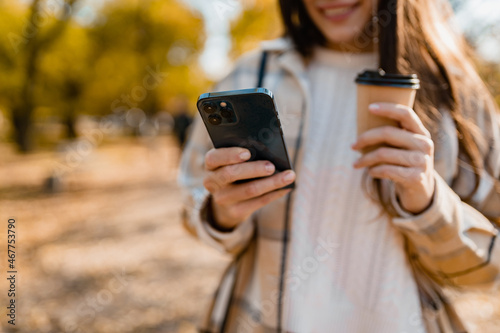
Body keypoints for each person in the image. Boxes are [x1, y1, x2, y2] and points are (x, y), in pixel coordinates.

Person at [179, 0, 500, 332]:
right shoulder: (250, 72)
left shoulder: (454, 90)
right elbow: (191, 197)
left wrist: (429, 204)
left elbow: (489, 269)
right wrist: (223, 214)